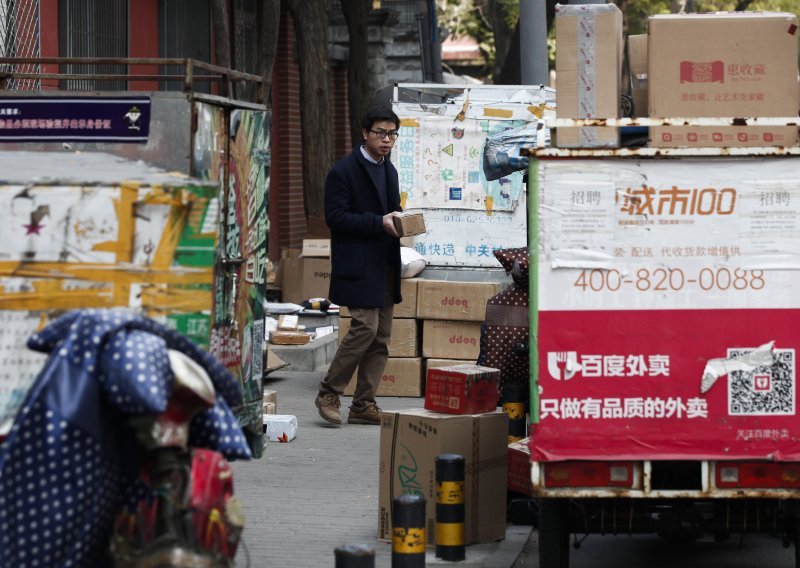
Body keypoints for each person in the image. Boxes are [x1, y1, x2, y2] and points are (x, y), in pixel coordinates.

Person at [315, 106, 403, 425]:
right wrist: (379, 222)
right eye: (380, 133)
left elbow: (392, 210)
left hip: (386, 263)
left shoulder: (389, 170)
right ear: (364, 133)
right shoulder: (344, 171)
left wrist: (404, 220)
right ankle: (328, 392)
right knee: (364, 327)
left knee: (381, 337)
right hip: (358, 263)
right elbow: (335, 218)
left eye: (392, 134)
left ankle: (363, 404)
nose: (387, 139)